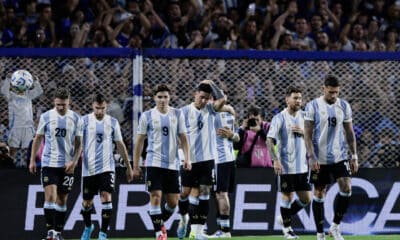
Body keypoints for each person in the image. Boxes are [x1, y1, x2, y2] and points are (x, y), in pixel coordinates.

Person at [132, 84, 191, 240]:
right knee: (156, 196)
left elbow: (184, 138)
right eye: (159, 97)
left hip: (172, 164)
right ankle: (159, 233)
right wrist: (136, 165)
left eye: (165, 97)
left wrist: (188, 158)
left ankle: (161, 224)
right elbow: (139, 142)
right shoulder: (147, 116)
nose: (163, 100)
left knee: (173, 203)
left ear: (169, 98)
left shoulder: (178, 114)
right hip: (153, 162)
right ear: (154, 98)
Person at [304, 75, 358, 240]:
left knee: (347, 187)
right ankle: (320, 234)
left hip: (339, 156)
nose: (333, 96)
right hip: (319, 158)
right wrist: (311, 156)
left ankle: (335, 226)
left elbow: (349, 132)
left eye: (336, 92)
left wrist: (354, 155)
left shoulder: (344, 105)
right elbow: (307, 133)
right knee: (319, 193)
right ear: (324, 89)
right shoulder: (312, 106)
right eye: (330, 92)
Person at [29, 87, 83, 240]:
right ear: (54, 102)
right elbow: (38, 138)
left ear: (69, 103)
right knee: (50, 197)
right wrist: (33, 160)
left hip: (67, 166)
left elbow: (79, 144)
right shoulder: (46, 117)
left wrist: (74, 161)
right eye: (58, 104)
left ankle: (58, 233)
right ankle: (50, 233)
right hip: (49, 163)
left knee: (62, 200)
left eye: (64, 105)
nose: (61, 107)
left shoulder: (76, 119)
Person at [80, 93, 134, 240]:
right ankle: (88, 226)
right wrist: (73, 161)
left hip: (107, 167)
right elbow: (78, 143)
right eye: (97, 108)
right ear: (92, 106)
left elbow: (120, 144)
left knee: (106, 197)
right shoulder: (84, 121)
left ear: (106, 106)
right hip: (88, 169)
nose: (100, 111)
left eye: (103, 108)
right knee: (86, 204)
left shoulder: (112, 122)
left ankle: (103, 233)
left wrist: (128, 167)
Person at [177, 80, 227, 240]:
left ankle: (197, 232)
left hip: (207, 159)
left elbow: (223, 99)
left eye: (207, 98)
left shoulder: (210, 110)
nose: (204, 101)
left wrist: (211, 84)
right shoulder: (183, 112)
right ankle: (183, 217)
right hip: (188, 160)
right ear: (195, 95)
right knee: (185, 193)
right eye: (202, 97)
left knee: (203, 193)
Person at [266, 85, 312, 239]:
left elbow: (316, 137)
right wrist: (275, 160)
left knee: (306, 199)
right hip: (285, 166)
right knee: (287, 196)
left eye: (300, 98)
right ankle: (287, 231)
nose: (298, 101)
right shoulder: (279, 118)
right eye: (295, 98)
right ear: (287, 99)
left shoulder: (306, 117)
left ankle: (284, 217)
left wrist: (304, 132)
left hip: (302, 167)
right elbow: (269, 140)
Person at [208, 106, 240, 238]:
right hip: (228, 159)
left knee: (221, 193)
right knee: (217, 193)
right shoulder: (229, 116)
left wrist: (232, 135)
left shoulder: (213, 115)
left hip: (219, 160)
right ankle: (222, 228)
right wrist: (232, 134)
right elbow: (237, 136)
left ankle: (225, 231)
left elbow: (237, 136)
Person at [1, 73, 43, 167]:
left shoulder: (28, 95)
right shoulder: (11, 95)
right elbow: (3, 91)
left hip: (28, 127)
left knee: (27, 149)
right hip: (15, 127)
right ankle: (12, 165)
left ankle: (25, 165)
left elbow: (39, 91)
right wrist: (8, 80)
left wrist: (36, 81)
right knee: (13, 148)